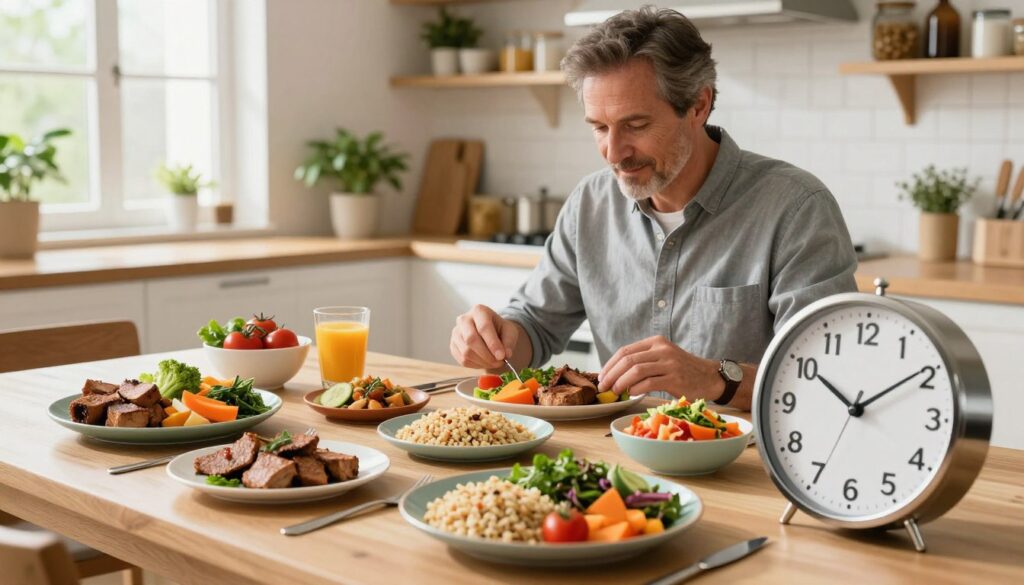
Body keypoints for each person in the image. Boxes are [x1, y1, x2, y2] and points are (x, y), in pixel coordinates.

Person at [448, 7, 857, 411]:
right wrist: (495, 340)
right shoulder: (590, 205)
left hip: (747, 465)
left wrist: (713, 377)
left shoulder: (796, 208)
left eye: (636, 125)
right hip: (620, 460)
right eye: (599, 127)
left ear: (698, 105)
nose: (614, 153)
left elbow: (827, 379)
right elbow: (534, 328)